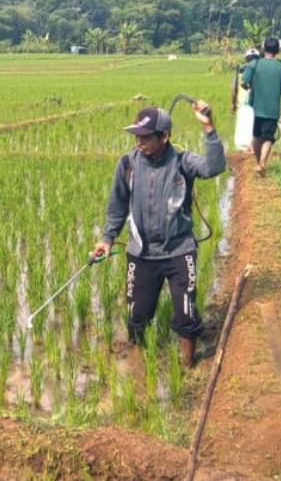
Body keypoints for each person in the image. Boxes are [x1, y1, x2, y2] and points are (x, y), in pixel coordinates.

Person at [91, 101, 226, 367]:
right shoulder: (128, 164)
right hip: (141, 253)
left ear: (165, 136)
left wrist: (208, 128)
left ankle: (187, 366)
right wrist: (107, 239)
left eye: (146, 136)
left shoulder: (183, 162)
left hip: (179, 250)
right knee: (137, 315)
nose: (139, 141)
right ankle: (139, 366)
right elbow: (117, 205)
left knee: (185, 314)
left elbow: (214, 167)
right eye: (137, 136)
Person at [241, 36, 281, 177]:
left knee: (256, 136)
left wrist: (253, 85)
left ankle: (258, 163)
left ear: (264, 49)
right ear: (277, 50)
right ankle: (262, 163)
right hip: (272, 109)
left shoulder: (254, 64)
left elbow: (244, 83)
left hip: (255, 108)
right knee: (268, 138)